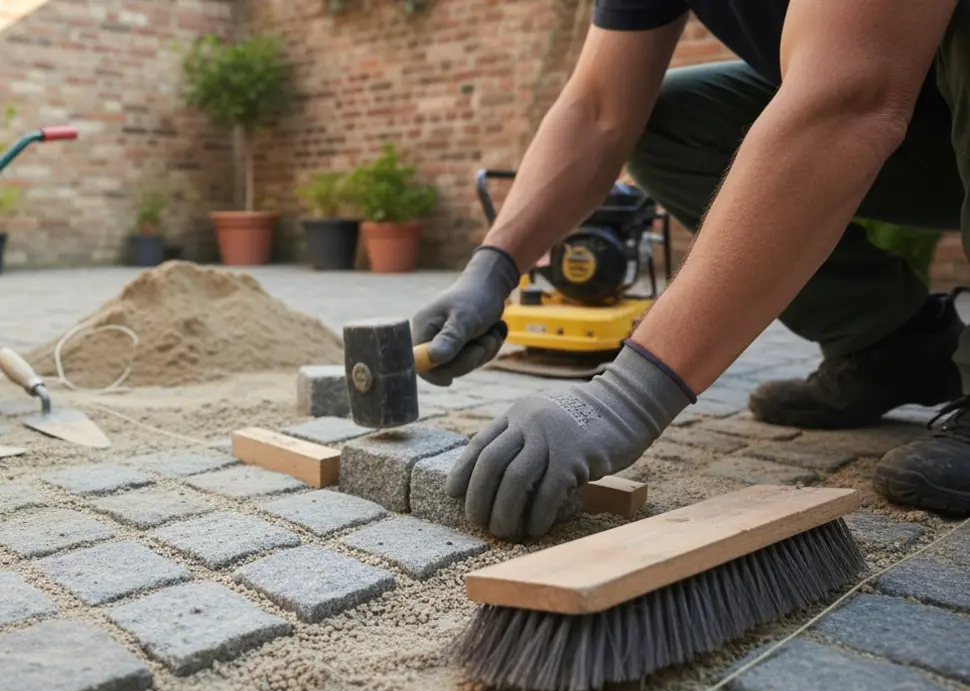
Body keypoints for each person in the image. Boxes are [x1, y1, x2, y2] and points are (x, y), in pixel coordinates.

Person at [411, 0, 970, 541]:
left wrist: (628, 396)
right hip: (930, 130)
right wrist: (493, 267)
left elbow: (852, 97)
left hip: (910, 89)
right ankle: (891, 343)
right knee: (667, 119)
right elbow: (601, 108)